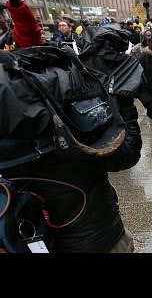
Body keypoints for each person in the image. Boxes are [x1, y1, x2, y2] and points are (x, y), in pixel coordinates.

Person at [1, 43, 142, 253]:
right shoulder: (77, 126)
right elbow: (127, 154)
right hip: (99, 241)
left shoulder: (9, 136)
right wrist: (123, 104)